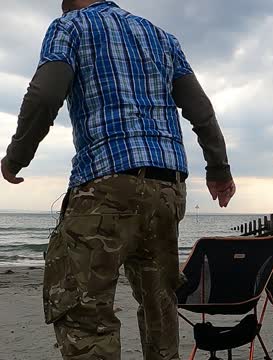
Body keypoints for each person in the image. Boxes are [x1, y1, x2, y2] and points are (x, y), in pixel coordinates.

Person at [0, 0, 235, 359]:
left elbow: (45, 95)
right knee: (160, 303)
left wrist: (17, 157)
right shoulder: (162, 37)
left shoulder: (70, 27)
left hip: (105, 185)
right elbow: (200, 109)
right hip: (167, 188)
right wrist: (218, 168)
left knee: (84, 310)